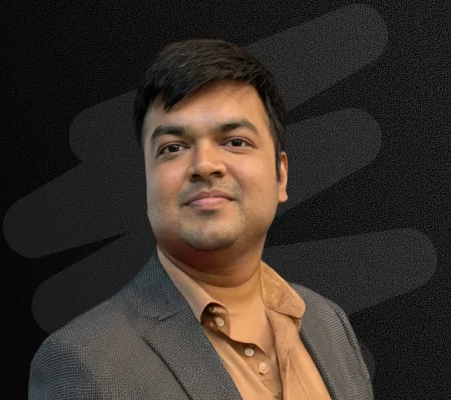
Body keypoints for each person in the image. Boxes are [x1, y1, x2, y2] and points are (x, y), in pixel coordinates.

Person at [28, 39, 374, 400]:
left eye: (235, 141)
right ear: (146, 180)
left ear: (281, 176)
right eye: (173, 148)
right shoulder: (85, 362)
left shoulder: (327, 323)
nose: (205, 165)